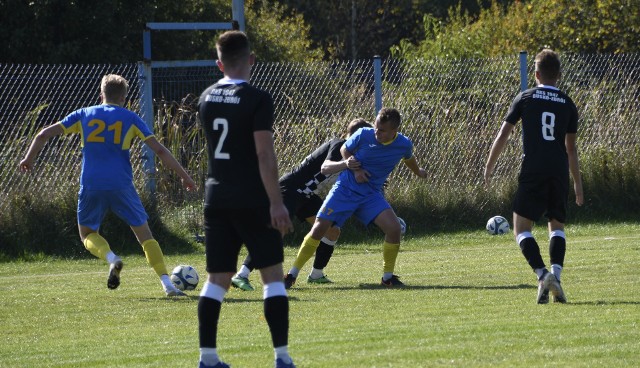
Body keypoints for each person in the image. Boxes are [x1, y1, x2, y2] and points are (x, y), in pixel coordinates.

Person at [18, 74, 196, 297]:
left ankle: (112, 258)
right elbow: (159, 150)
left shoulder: (84, 114)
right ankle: (167, 285)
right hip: (121, 185)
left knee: (87, 235)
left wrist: (28, 158)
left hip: (91, 184)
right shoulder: (130, 118)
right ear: (123, 97)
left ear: (101, 94)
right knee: (146, 236)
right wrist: (185, 176)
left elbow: (43, 133)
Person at [196, 30, 295, 368]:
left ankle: (207, 358)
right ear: (251, 59)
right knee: (272, 277)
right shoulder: (258, 99)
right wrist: (276, 202)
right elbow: (264, 154)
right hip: (252, 199)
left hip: (216, 197)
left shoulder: (206, 97)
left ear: (218, 63)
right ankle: (281, 357)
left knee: (216, 281)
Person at [285, 107, 427, 288]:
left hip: (370, 195)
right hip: (345, 190)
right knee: (320, 228)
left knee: (393, 229)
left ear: (394, 131)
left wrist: (419, 172)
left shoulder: (404, 144)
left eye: (382, 130)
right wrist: (357, 170)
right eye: (376, 127)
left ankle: (387, 278)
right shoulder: (363, 134)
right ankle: (291, 275)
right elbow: (345, 148)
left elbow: (409, 158)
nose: (377, 132)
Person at [484, 49, 584, 304]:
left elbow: (504, 134)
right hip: (559, 169)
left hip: (534, 168)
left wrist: (489, 165)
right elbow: (570, 148)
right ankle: (556, 276)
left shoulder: (526, 97)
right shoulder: (568, 103)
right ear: (559, 75)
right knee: (556, 225)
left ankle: (542, 274)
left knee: (521, 227)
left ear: (536, 73)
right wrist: (577, 184)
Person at [231, 118, 373, 291]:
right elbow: (326, 167)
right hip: (290, 189)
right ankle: (241, 274)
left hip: (306, 196)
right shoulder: (339, 145)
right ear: (357, 137)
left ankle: (316, 274)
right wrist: (346, 164)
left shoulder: (352, 156)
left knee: (332, 230)